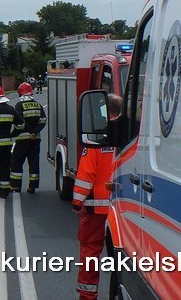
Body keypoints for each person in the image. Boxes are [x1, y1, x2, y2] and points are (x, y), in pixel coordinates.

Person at [73, 93, 123, 300]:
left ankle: (87, 295)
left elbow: (87, 175)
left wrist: (77, 202)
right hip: (122, 208)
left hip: (95, 209)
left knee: (91, 251)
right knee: (121, 256)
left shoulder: (96, 137)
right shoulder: (130, 135)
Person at [10, 82, 47, 193]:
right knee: (34, 162)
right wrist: (35, 132)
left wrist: (13, 134)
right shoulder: (38, 105)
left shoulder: (19, 105)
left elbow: (20, 121)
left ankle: (15, 186)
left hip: (22, 139)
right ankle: (33, 186)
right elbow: (43, 121)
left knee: (16, 162)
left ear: (20, 93)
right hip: (35, 139)